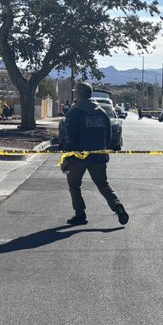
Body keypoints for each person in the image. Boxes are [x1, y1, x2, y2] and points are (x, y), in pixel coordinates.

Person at [60, 81, 129, 227]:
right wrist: (105, 150)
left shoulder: (75, 111)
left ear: (78, 94)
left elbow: (69, 136)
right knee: (103, 184)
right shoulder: (101, 112)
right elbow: (109, 136)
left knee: (74, 185)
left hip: (78, 158)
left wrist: (66, 157)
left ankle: (80, 214)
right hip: (98, 156)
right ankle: (117, 206)